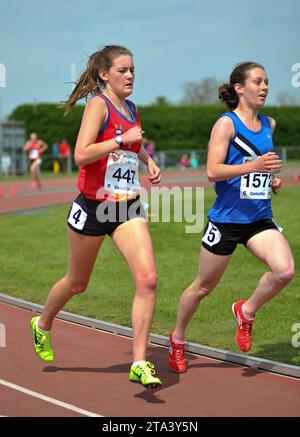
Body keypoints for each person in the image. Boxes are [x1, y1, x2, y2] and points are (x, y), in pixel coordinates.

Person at [30, 45, 162, 388]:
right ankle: (42, 324)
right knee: (78, 283)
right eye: (123, 70)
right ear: (105, 74)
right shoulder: (97, 106)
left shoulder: (130, 107)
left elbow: (132, 144)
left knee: (147, 279)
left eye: (133, 69)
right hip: (94, 206)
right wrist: (121, 139)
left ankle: (139, 362)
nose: (131, 75)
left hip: (127, 205)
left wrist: (147, 160)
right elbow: (81, 155)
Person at [168, 62, 295, 373]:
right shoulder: (226, 124)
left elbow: (259, 169)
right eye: (257, 82)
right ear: (240, 88)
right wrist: (253, 169)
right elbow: (213, 171)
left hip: (259, 219)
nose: (264, 87)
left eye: (266, 82)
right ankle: (177, 340)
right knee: (203, 287)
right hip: (226, 221)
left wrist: (271, 181)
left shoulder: (270, 124)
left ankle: (246, 310)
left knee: (284, 271)